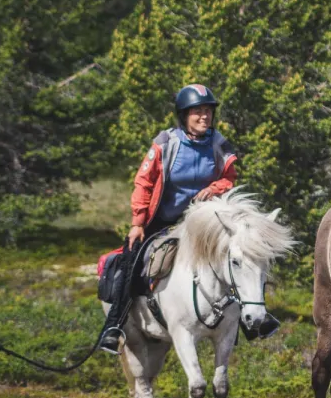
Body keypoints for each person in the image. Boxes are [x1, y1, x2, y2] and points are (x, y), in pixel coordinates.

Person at [97, 83, 239, 354]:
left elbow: (229, 178)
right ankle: (114, 327)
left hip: (202, 223)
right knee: (131, 260)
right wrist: (138, 223)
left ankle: (248, 320)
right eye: (197, 112)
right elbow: (144, 182)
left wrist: (214, 188)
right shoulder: (166, 143)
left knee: (241, 254)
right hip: (162, 221)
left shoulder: (219, 144)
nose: (204, 117)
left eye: (208, 111)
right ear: (183, 115)